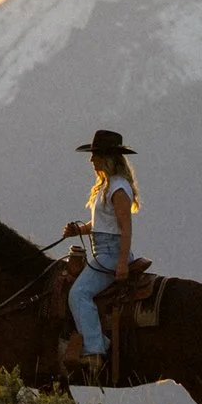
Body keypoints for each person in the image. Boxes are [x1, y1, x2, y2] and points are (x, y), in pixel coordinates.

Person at [59, 129, 139, 381]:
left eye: (95, 156)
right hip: (103, 249)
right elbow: (103, 223)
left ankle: (94, 349)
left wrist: (122, 262)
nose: (91, 161)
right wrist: (80, 230)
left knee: (79, 293)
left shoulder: (117, 188)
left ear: (107, 157)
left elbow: (125, 228)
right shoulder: (107, 186)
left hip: (111, 252)